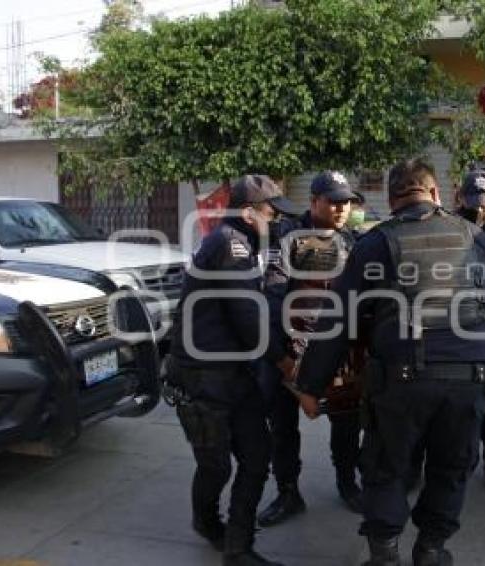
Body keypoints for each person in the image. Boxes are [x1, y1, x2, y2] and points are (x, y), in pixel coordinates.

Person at [295, 158, 485, 566]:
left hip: (403, 381)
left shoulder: (376, 243)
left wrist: (310, 387)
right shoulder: (475, 236)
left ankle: (385, 554)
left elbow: (337, 320)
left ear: (392, 199)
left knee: (387, 469)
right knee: (450, 468)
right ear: (437, 193)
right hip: (470, 377)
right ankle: (430, 549)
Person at [166, 174, 296, 566]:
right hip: (204, 375)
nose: (275, 220)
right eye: (271, 212)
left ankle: (237, 547)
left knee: (257, 456)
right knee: (216, 464)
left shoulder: (245, 242)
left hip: (235, 372)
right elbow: (247, 317)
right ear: (247, 212)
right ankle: (206, 522)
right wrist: (284, 361)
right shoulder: (230, 245)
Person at [258, 171, 363, 527]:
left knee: (347, 421)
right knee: (282, 426)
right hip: (290, 350)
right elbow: (272, 302)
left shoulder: (352, 240)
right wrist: (284, 359)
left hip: (337, 352)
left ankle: (348, 483)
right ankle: (288, 492)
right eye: (333, 201)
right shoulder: (288, 238)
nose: (341, 208)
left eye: (346, 201)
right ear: (314, 201)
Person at [408, 169, 485, 493]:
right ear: (459, 199)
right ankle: (419, 467)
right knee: (436, 411)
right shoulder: (444, 226)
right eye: (472, 203)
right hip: (450, 323)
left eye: (484, 204)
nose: (478, 210)